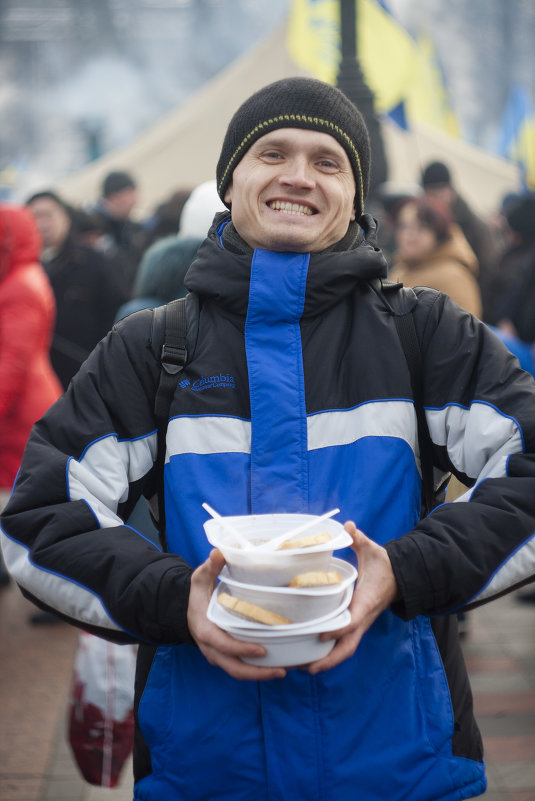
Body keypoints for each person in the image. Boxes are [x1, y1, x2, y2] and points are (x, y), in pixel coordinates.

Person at [2, 77, 535, 801]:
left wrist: (406, 571)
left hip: (403, 767)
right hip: (205, 771)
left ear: (354, 193)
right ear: (230, 181)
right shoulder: (149, 349)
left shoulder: (425, 334)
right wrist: (173, 599)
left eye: (327, 161)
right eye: (271, 152)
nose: (296, 176)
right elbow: (40, 518)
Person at [0, 204, 62, 585]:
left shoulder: (19, 284)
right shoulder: (25, 274)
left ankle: (40, 584)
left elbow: (10, 364)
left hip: (18, 410)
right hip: (28, 401)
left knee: (20, 498)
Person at [26, 190, 127, 390]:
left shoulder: (91, 260)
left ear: (65, 218)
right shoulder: (24, 271)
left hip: (91, 373)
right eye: (35, 216)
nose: (42, 223)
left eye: (48, 214)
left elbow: (119, 309)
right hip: (43, 383)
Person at [420, 160, 500, 321]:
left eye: (440, 192)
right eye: (430, 193)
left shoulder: (475, 227)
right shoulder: (421, 223)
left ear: (451, 191)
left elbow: (488, 272)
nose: (435, 199)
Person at [389, 195, 482, 317]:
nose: (409, 235)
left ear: (438, 235)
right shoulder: (400, 269)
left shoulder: (454, 277)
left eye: (421, 227)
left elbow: (464, 331)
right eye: (404, 226)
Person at [91, 170, 148, 297]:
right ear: (113, 198)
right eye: (130, 196)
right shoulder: (92, 229)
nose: (135, 202)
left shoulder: (132, 226)